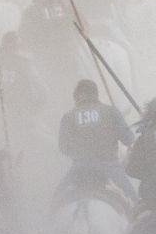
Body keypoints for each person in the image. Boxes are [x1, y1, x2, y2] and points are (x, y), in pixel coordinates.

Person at [54, 79, 136, 210]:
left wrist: (80, 153)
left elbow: (63, 147)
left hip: (80, 168)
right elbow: (128, 139)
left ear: (78, 95)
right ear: (95, 94)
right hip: (110, 167)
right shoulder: (111, 112)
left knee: (55, 200)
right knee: (134, 200)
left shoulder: (69, 116)